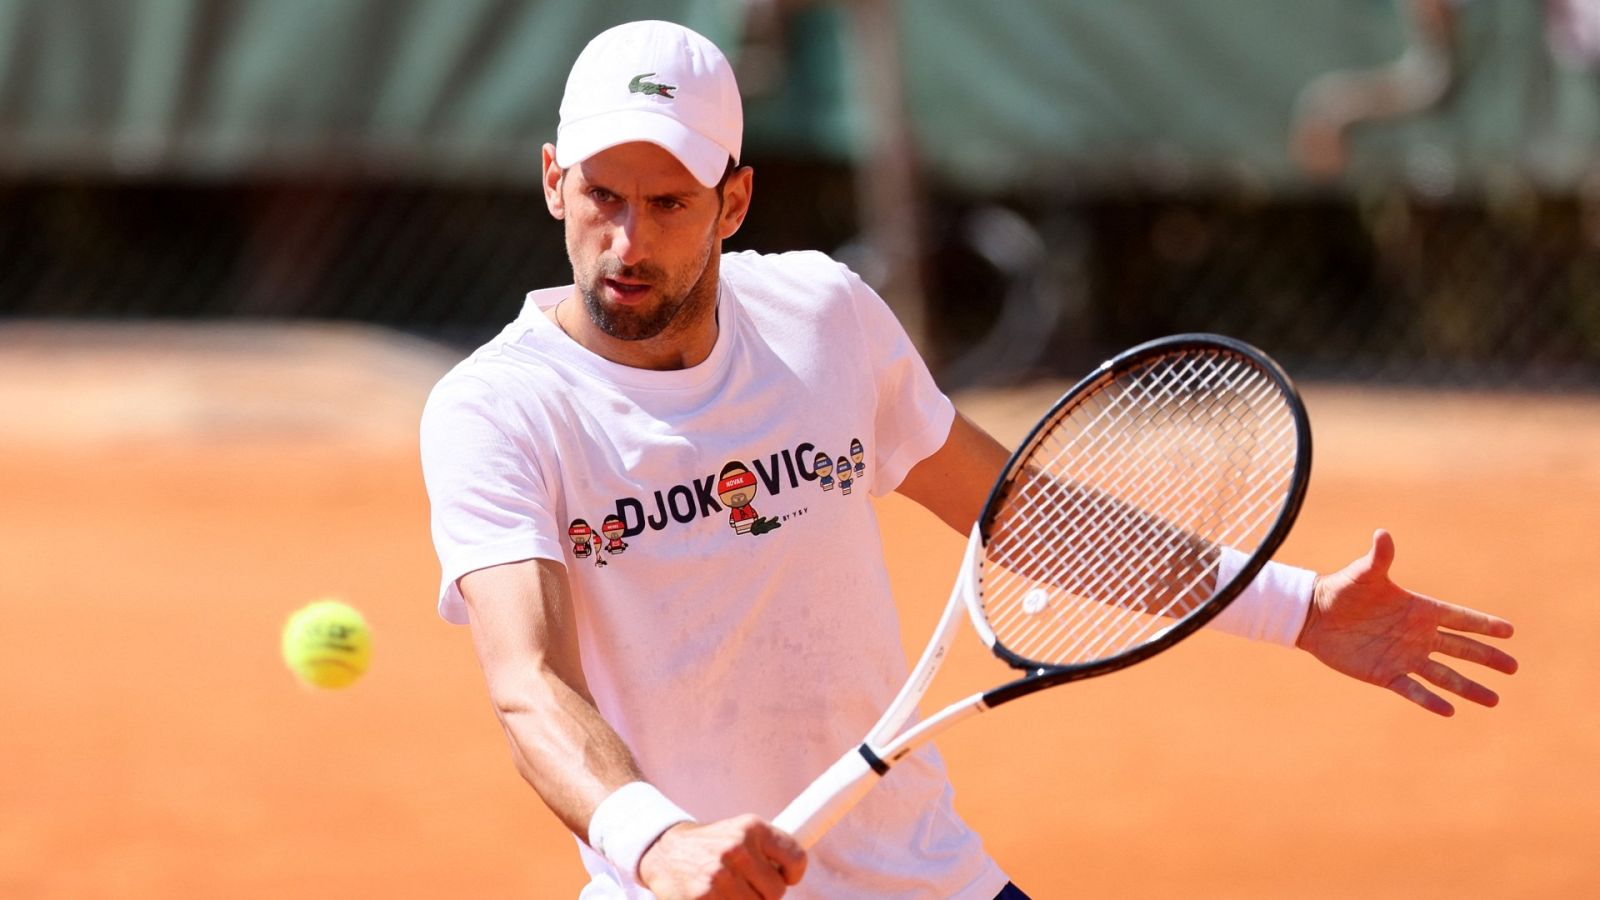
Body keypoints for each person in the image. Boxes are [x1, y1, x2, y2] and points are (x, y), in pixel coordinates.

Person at [420, 20, 1518, 900]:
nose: (629, 239)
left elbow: (1023, 515)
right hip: (678, 882)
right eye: (604, 198)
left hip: (920, 876)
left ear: (734, 203)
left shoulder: (823, 319)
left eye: (668, 205)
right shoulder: (498, 411)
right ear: (555, 180)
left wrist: (1292, 607)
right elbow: (530, 683)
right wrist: (656, 843)